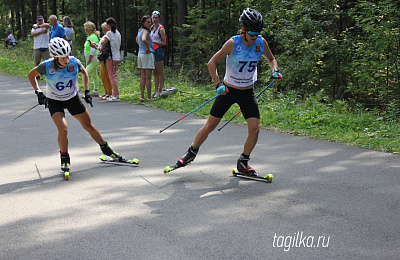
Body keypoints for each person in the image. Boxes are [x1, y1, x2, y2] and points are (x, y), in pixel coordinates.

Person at [169, 8, 282, 176]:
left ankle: (243, 162)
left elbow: (271, 59)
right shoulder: (233, 43)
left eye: (258, 32)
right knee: (210, 126)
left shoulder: (260, 43)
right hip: (228, 91)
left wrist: (275, 71)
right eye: (251, 32)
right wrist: (218, 84)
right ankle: (191, 152)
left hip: (247, 93)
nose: (254, 36)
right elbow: (212, 63)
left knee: (255, 129)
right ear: (243, 30)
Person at [27, 37, 124, 173]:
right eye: (62, 58)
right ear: (55, 57)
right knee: (63, 129)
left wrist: (87, 91)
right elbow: (31, 75)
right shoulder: (46, 66)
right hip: (54, 101)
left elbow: (84, 72)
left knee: (88, 125)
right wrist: (38, 92)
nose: (66, 60)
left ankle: (107, 149)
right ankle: (65, 158)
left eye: (67, 56)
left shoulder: (74, 62)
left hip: (72, 98)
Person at [96, 17, 121, 102]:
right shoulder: (118, 33)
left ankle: (116, 95)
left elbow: (103, 42)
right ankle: (114, 94)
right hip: (117, 56)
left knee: (112, 76)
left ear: (109, 25)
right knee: (114, 75)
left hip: (111, 57)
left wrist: (101, 49)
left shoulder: (109, 33)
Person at [91, 22, 112, 100]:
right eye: (103, 30)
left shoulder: (108, 36)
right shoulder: (104, 37)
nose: (104, 32)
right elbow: (100, 46)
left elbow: (103, 47)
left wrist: (96, 47)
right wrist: (96, 45)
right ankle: (106, 91)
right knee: (102, 75)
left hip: (105, 58)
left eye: (105, 30)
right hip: (101, 58)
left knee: (106, 75)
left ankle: (110, 92)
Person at [136, 15, 154, 102]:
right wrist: (148, 48)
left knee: (143, 77)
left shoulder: (140, 31)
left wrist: (141, 47)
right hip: (147, 55)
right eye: (148, 22)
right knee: (148, 77)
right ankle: (149, 97)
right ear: (143, 23)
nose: (150, 24)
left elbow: (137, 40)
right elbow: (143, 39)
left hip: (140, 54)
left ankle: (142, 96)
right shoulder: (145, 32)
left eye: (150, 22)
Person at [150, 10, 166, 98]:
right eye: (153, 18)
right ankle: (155, 90)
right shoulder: (151, 28)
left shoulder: (161, 29)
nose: (154, 20)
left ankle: (160, 90)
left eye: (156, 18)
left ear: (159, 18)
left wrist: (155, 42)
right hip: (152, 51)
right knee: (155, 72)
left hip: (158, 51)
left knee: (160, 72)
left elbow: (164, 42)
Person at [83, 21, 100, 97]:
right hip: (91, 59)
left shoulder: (93, 37)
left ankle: (88, 91)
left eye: (86, 27)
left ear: (89, 28)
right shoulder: (90, 36)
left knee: (85, 74)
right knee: (94, 75)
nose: (85, 29)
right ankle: (95, 90)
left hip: (93, 59)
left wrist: (89, 59)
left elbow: (93, 49)